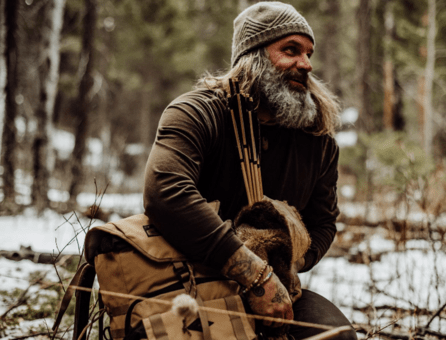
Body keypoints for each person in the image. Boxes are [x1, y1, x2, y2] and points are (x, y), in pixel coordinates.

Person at [143, 2, 357, 339]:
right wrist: (254, 273)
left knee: (336, 336)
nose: (306, 64)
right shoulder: (195, 112)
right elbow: (165, 192)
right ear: (254, 55)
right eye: (290, 50)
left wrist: (288, 266)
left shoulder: (317, 139)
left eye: (308, 53)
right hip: (188, 284)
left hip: (276, 287)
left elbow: (323, 221)